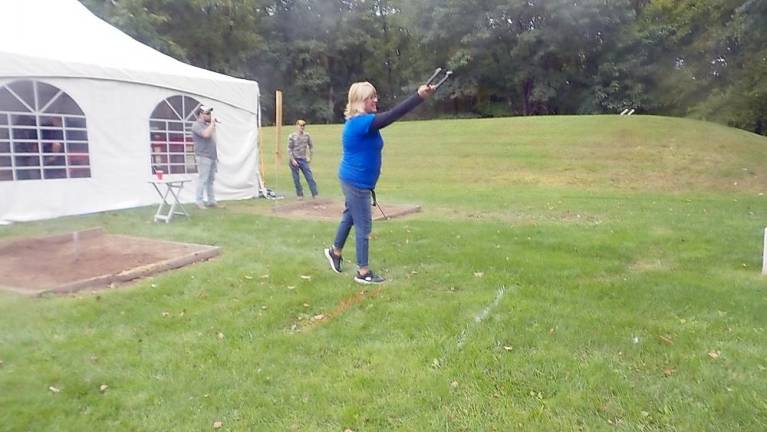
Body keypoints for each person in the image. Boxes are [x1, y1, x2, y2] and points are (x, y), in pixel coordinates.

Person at [324, 81, 435, 284]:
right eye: (371, 97)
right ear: (359, 102)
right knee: (363, 225)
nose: (376, 100)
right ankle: (363, 272)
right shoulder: (360, 123)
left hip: (356, 180)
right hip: (355, 182)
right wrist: (418, 96)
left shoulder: (363, 121)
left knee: (350, 217)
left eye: (375, 95)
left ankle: (335, 252)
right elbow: (391, 116)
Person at [191, 105, 222, 209]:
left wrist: (212, 124)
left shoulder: (207, 125)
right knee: (203, 179)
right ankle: (199, 201)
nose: (210, 115)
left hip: (211, 156)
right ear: (200, 114)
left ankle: (211, 201)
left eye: (210, 113)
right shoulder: (196, 125)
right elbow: (206, 135)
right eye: (207, 113)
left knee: (210, 180)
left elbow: (213, 136)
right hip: (203, 156)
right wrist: (212, 123)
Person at [287, 119, 318, 199]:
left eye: (303, 125)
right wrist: (292, 160)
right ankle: (300, 194)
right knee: (296, 179)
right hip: (294, 159)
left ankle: (314, 194)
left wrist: (310, 157)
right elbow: (289, 149)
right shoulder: (292, 136)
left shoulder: (307, 136)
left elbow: (311, 147)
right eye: (300, 125)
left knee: (309, 177)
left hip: (303, 159)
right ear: (297, 126)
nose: (302, 127)